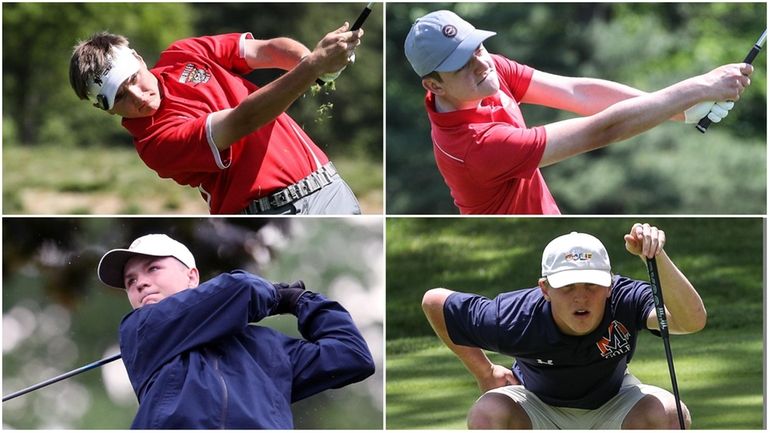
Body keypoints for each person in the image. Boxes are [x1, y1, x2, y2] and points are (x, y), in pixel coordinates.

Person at [404, 10, 752, 214]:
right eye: (462, 63)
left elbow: (578, 93)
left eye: (477, 47)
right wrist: (697, 88)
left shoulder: (485, 71)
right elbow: (600, 131)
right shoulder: (476, 147)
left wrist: (682, 110)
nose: (481, 63)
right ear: (434, 86)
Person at [421, 223, 707, 429]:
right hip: (536, 405)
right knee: (488, 413)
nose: (581, 296)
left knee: (671, 414)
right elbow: (435, 302)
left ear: (609, 284)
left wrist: (656, 257)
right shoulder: (515, 316)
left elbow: (691, 320)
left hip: (613, 401)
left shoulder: (625, 298)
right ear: (545, 289)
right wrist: (486, 372)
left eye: (592, 285)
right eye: (567, 286)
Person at [69, 22, 365, 215]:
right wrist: (313, 66)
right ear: (104, 108)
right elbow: (243, 120)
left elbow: (266, 50)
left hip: (330, 186)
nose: (138, 96)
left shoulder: (182, 53)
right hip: (273, 214)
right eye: (120, 96)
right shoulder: (154, 144)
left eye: (134, 78)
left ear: (138, 58)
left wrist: (318, 66)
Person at [97, 233, 375, 428]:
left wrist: (305, 302)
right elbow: (241, 289)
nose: (140, 283)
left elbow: (351, 355)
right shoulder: (140, 329)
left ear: (191, 276)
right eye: (131, 280)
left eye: (153, 268)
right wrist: (278, 297)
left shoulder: (266, 345)